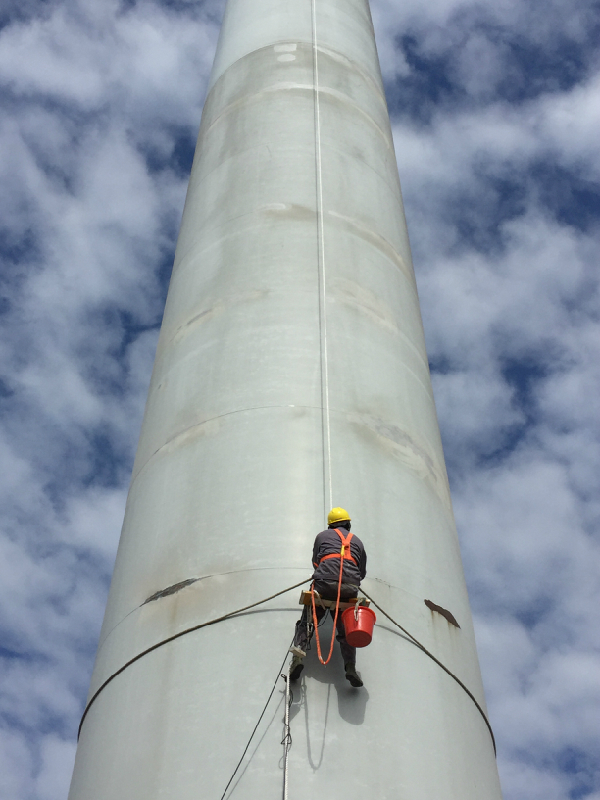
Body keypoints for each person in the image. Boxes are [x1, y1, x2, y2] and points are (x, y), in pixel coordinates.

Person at [290, 507, 367, 687]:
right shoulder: (359, 542)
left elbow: (316, 562)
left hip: (324, 582)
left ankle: (297, 658)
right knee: (346, 628)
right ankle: (350, 667)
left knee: (307, 621)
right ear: (348, 524)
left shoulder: (321, 536)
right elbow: (361, 572)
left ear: (330, 525)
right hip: (350, 587)